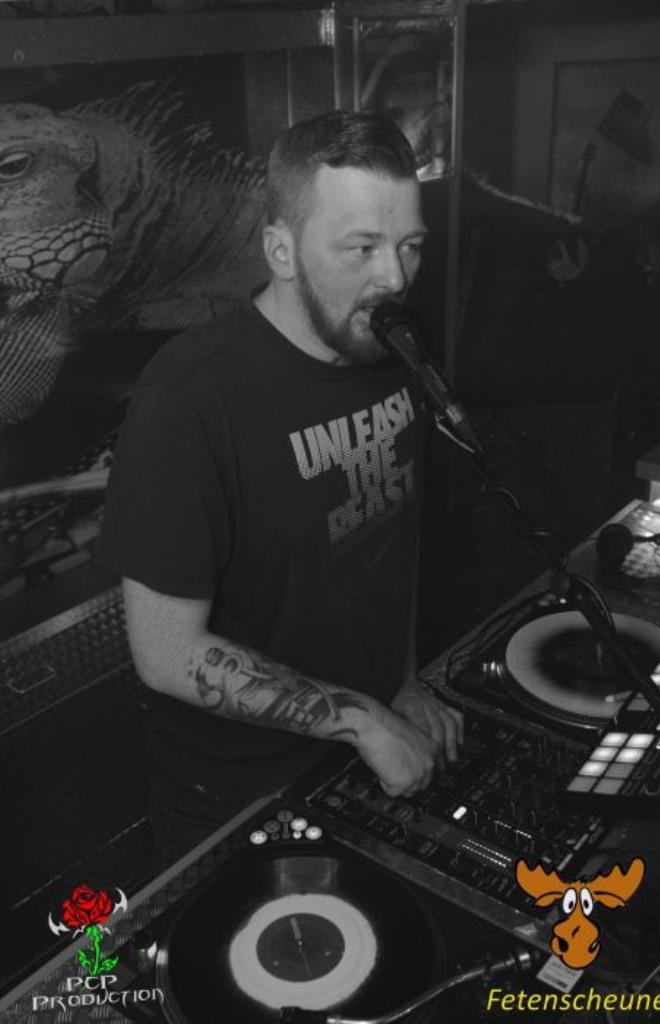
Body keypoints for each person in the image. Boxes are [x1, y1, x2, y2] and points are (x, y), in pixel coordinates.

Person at [99, 109, 463, 863]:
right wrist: (359, 718)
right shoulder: (188, 399)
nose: (394, 278)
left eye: (409, 246)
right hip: (238, 799)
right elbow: (165, 652)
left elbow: (389, 542)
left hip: (365, 756)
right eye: (361, 248)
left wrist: (400, 685)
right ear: (280, 250)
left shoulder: (392, 352)